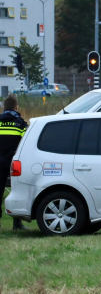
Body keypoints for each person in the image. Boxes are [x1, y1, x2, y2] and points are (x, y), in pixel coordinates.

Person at [0, 95, 28, 230]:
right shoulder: (20, 123)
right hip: (15, 163)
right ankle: (17, 223)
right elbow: (26, 143)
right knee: (17, 191)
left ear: (4, 107)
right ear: (16, 107)